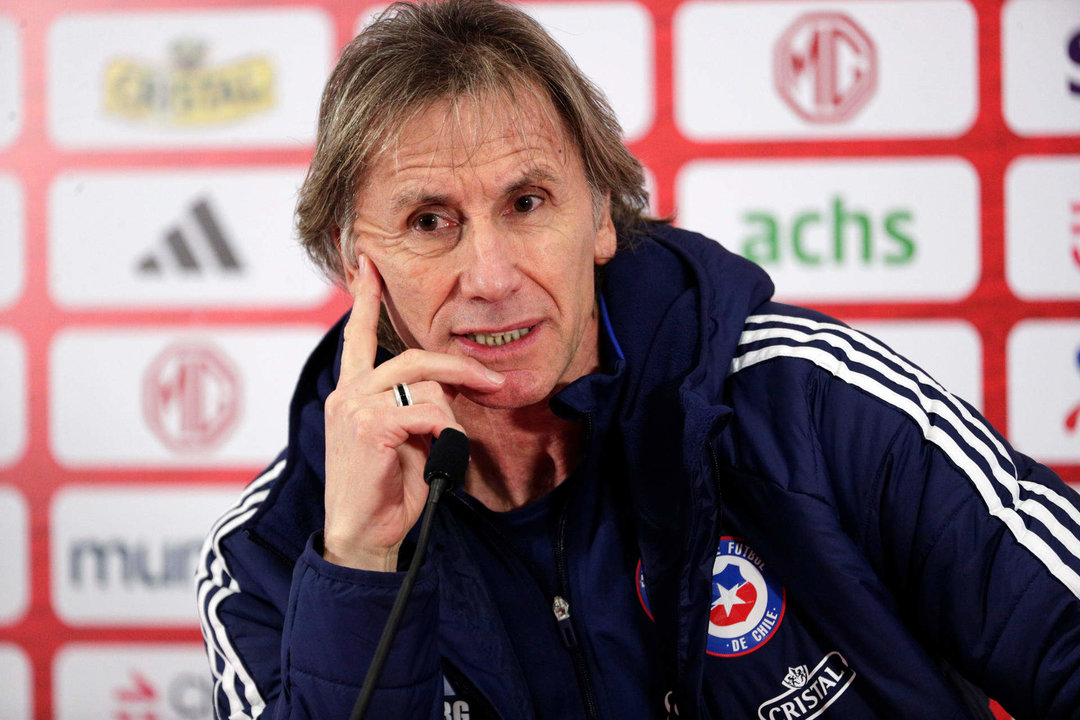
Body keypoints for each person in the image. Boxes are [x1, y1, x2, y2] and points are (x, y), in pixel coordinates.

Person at [196, 1, 1080, 718]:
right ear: (355, 261)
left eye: (528, 200)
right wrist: (356, 570)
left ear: (602, 216)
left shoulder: (803, 400)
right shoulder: (274, 548)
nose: (493, 277)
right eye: (431, 221)